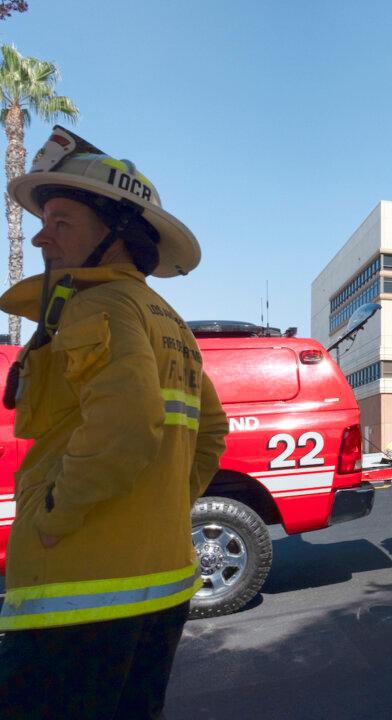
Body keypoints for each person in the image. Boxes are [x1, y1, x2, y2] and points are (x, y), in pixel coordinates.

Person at [0, 126, 229, 719]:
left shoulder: (96, 305)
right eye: (43, 222)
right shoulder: (167, 320)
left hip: (78, 587)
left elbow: (126, 424)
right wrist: (166, 502)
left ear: (117, 232)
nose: (42, 236)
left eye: (62, 222)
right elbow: (211, 430)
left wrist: (56, 514)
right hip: (159, 582)